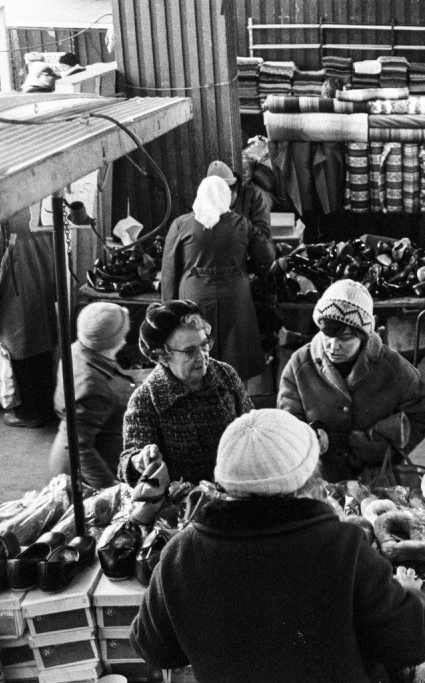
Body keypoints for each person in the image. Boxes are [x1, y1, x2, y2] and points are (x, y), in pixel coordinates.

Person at [130, 409, 425, 682]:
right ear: (308, 477)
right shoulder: (342, 546)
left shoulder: (182, 553)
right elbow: (412, 641)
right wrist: (408, 590)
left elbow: (154, 648)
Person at [279, 280, 425, 483]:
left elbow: (422, 412)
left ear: (363, 336)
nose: (333, 346)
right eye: (327, 334)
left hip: (377, 479)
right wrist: (308, 436)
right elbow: (287, 420)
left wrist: (385, 445)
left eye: (345, 338)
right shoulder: (299, 364)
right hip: (320, 480)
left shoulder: (393, 366)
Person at [118, 299, 252, 487]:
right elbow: (128, 464)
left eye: (204, 345)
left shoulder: (225, 374)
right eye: (189, 351)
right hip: (182, 502)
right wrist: (138, 460)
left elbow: (250, 424)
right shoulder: (146, 399)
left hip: (235, 487)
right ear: (163, 357)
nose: (202, 356)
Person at [161, 176, 275, 381]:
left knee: (196, 354)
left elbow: (169, 270)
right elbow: (266, 258)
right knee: (235, 359)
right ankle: (235, 404)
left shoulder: (181, 224)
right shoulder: (242, 224)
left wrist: (168, 310)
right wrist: (249, 270)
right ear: (226, 196)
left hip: (194, 296)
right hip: (235, 295)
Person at [49, 303, 135, 488]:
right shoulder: (93, 388)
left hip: (76, 454)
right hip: (87, 475)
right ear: (118, 340)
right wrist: (110, 489)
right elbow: (79, 447)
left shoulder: (76, 350)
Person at [0, 208, 57, 428]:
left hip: (13, 295)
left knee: (20, 350)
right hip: (42, 289)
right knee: (41, 347)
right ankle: (46, 408)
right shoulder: (36, 208)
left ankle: (28, 413)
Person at [206, 160, 272, 238]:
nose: (220, 202)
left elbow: (263, 231)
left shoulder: (254, 195)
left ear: (233, 190)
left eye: (223, 197)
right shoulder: (207, 199)